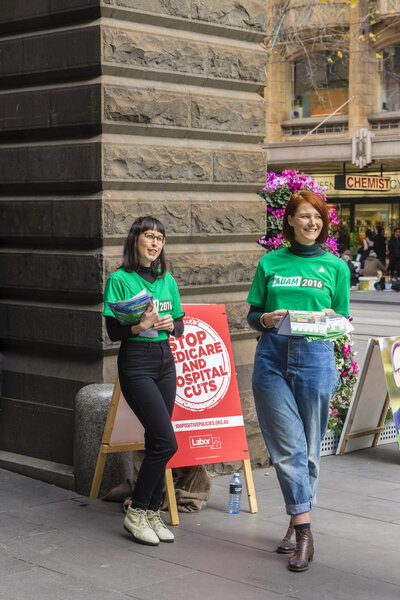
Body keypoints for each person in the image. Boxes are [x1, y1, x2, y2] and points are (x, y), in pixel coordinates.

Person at [247, 190, 349, 573]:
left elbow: (343, 320)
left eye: (318, 217)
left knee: (307, 449)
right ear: (289, 221)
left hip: (315, 358)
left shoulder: (336, 267)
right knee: (287, 447)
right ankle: (306, 532)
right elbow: (252, 315)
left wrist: (328, 318)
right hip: (272, 357)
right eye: (304, 216)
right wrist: (267, 320)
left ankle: (294, 519)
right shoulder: (270, 262)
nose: (312, 223)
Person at [103, 216, 184, 546]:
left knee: (156, 440)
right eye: (149, 237)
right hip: (136, 361)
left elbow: (180, 325)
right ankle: (136, 512)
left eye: (160, 239)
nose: (155, 244)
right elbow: (112, 333)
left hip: (165, 359)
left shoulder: (167, 280)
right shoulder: (120, 279)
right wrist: (140, 324)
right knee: (167, 442)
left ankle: (151, 511)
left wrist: (167, 324)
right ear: (135, 240)